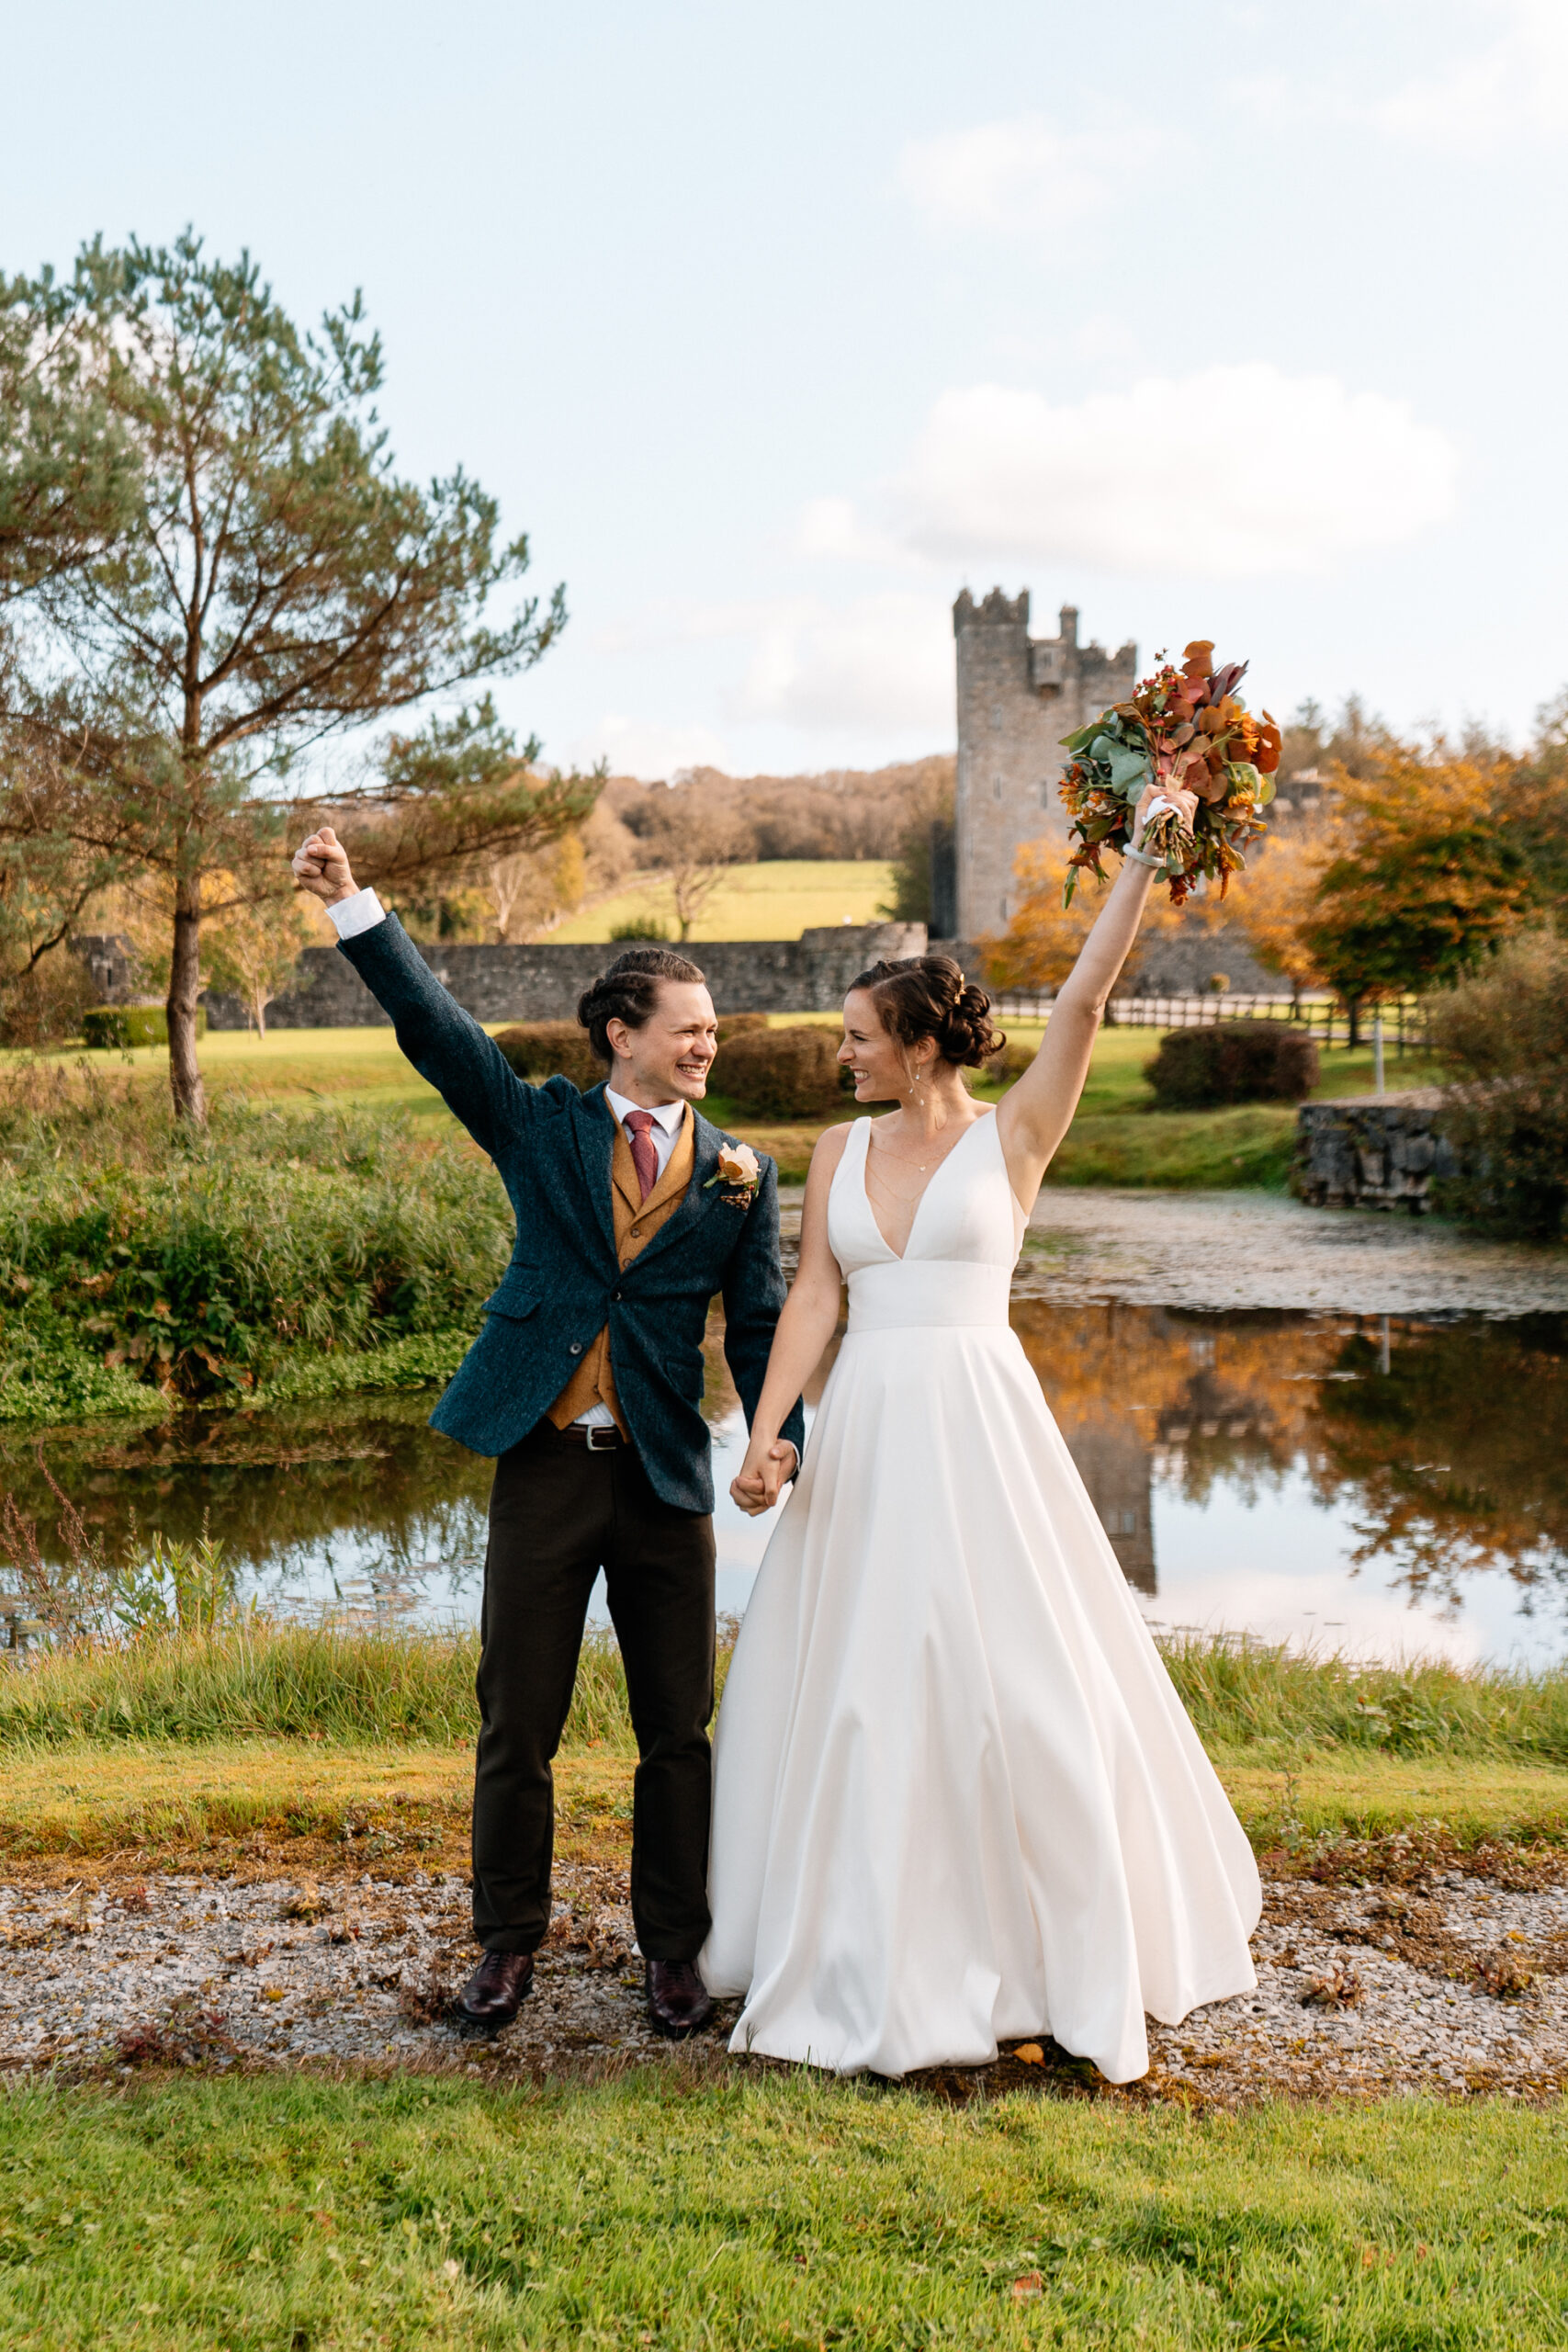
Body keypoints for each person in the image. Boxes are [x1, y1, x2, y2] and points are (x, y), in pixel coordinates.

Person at [701, 781, 1261, 2082]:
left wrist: (1137, 860)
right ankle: (850, 1939)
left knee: (1025, 1681)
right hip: (869, 1442)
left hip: (982, 1426)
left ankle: (1050, 1946)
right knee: (861, 1688)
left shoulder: (1014, 1138)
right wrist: (767, 1432)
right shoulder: (838, 1152)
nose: (842, 1053)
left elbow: (1081, 1003)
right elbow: (816, 1299)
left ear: (920, 1042)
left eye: (858, 1036)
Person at [290, 826, 804, 2041]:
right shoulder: (541, 1128)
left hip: (669, 1476)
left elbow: (763, 1320)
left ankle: (675, 1955)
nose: (707, 1042)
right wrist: (356, 906)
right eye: (688, 1025)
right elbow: (439, 1035)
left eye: (715, 1027)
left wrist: (782, 1436)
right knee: (519, 1722)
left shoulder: (742, 1171)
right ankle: (506, 1948)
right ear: (621, 1032)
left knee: (677, 1732)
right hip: (544, 1466)